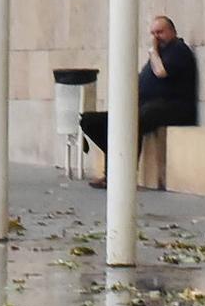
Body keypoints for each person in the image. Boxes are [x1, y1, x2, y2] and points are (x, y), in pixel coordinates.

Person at [81, 15, 198, 188]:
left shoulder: (178, 50)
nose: (155, 37)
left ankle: (122, 175)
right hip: (147, 105)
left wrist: (153, 52)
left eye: (160, 32)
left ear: (172, 32)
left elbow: (161, 72)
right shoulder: (160, 53)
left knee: (134, 121)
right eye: (152, 33)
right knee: (90, 121)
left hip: (173, 106)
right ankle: (114, 160)